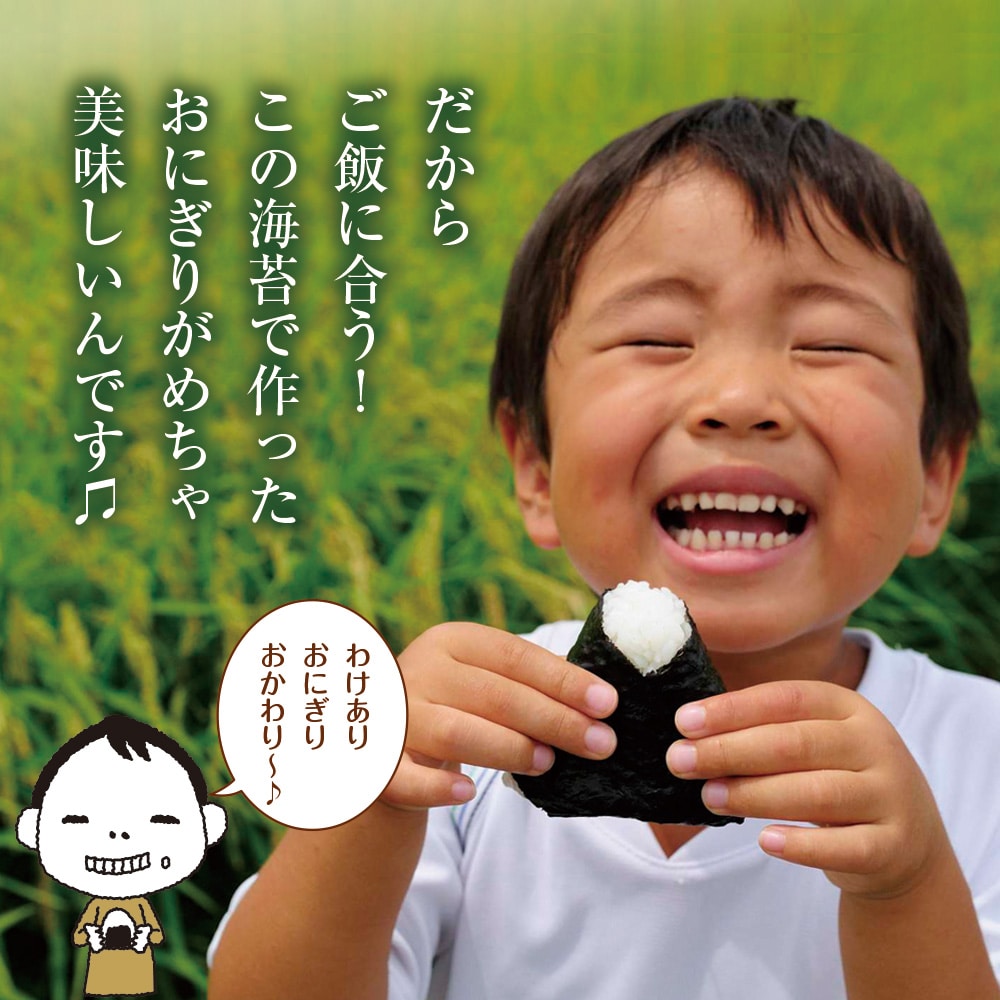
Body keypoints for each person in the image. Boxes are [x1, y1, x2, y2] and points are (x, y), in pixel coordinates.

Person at [207, 97, 1000, 999]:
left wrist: (905, 888)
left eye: (829, 344)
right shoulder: (469, 737)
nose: (740, 399)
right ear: (535, 466)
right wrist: (372, 798)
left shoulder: (981, 756)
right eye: (657, 338)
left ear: (936, 476)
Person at [17, 714, 227, 996]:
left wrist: (142, 938)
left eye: (160, 819)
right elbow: (81, 935)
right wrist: (94, 937)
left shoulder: (137, 906)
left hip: (137, 972)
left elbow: (154, 934)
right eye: (79, 820)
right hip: (103, 973)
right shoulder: (100, 907)